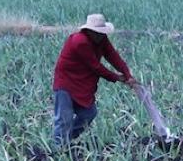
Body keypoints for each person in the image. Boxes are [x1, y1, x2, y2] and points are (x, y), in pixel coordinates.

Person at [51, 13, 137, 146]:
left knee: (89, 113)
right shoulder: (80, 41)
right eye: (97, 32)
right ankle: (58, 150)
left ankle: (67, 140)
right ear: (89, 31)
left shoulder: (101, 39)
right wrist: (118, 78)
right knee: (63, 119)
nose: (100, 35)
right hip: (66, 82)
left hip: (82, 83)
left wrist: (128, 74)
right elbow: (96, 67)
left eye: (101, 32)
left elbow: (113, 56)